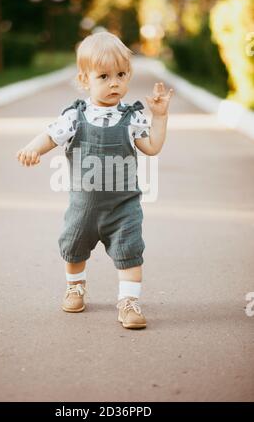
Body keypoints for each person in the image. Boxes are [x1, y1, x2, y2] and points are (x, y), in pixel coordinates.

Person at [16, 31, 173, 330]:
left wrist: (160, 117)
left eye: (122, 74)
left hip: (124, 206)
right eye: (104, 76)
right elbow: (50, 135)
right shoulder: (75, 117)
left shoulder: (132, 118)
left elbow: (152, 147)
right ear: (85, 79)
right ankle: (75, 286)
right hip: (83, 206)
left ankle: (128, 301)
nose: (115, 82)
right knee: (73, 247)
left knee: (130, 252)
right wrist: (33, 149)